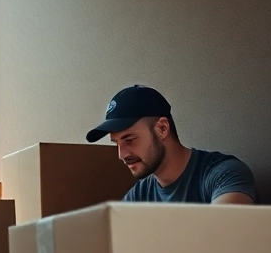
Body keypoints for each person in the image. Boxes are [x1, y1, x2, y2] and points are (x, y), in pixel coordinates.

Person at [86, 85, 258, 204]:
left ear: (162, 128)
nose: (122, 155)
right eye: (117, 143)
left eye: (129, 140)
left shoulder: (223, 174)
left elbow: (225, 235)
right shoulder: (139, 196)